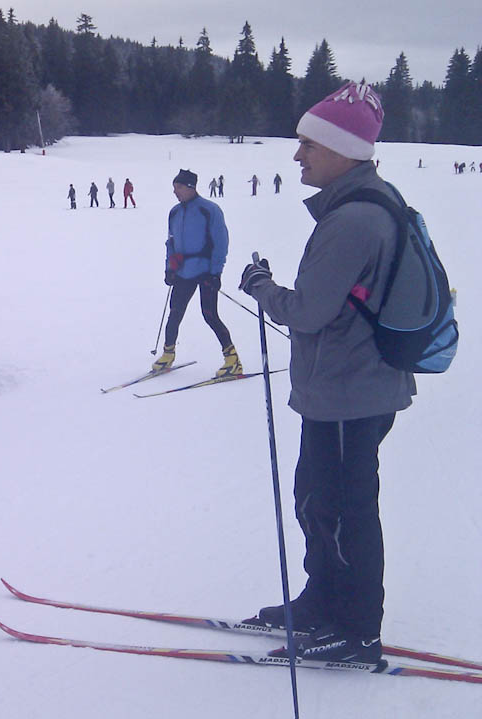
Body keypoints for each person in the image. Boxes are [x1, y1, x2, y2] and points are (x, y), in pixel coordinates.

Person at [238, 82, 415, 666]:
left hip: (349, 391)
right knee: (319, 500)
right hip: (347, 388)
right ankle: (322, 604)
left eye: (309, 145)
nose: (298, 156)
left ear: (343, 150)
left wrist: (262, 287)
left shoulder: (354, 219)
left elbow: (309, 311)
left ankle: (356, 629)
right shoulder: (363, 205)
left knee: (342, 510)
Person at [153, 169, 239, 377]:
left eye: (179, 187)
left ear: (191, 187)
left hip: (206, 271)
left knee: (210, 315)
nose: (175, 192)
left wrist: (215, 273)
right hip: (183, 272)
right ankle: (168, 354)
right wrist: (169, 267)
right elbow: (171, 242)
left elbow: (221, 243)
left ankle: (232, 360)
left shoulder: (209, 210)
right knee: (175, 313)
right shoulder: (174, 212)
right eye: (174, 187)